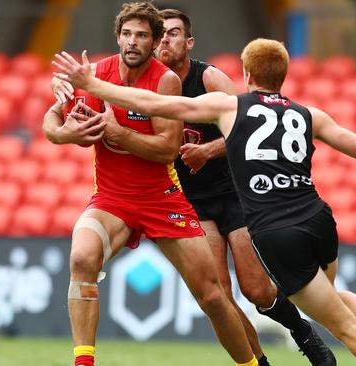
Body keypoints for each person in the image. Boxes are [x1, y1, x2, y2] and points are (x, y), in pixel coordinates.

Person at [53, 37, 356, 366]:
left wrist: (94, 85)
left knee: (343, 327)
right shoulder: (309, 114)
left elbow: (156, 106)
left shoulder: (230, 107)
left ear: (247, 75)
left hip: (277, 232)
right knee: (328, 298)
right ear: (282, 76)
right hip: (320, 220)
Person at [43, 3, 260, 366]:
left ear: (155, 40)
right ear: (117, 37)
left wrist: (116, 131)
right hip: (111, 199)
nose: (132, 42)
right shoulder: (95, 73)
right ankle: (83, 363)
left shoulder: (165, 81)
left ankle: (252, 365)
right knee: (82, 258)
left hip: (162, 198)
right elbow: (52, 117)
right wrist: (63, 134)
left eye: (142, 35)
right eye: (127, 34)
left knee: (212, 296)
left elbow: (166, 150)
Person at [156, 9, 333, 366]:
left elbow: (245, 127)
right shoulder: (148, 85)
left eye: (173, 33)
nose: (164, 40)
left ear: (188, 42)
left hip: (232, 193)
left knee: (256, 290)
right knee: (219, 296)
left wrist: (207, 150)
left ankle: (302, 332)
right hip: (192, 200)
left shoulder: (209, 78)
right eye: (159, 34)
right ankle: (259, 363)